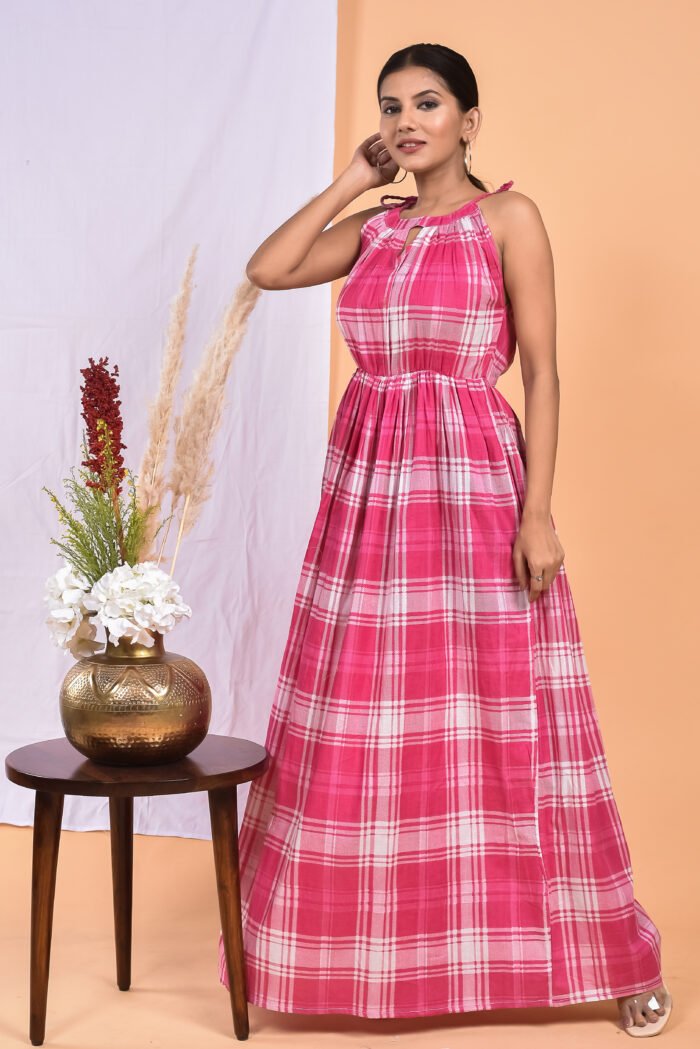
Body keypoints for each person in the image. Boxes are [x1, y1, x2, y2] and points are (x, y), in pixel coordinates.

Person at [218, 42, 672, 1037]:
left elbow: (543, 372)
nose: (406, 120)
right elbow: (269, 267)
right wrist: (353, 176)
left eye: (427, 103)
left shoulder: (509, 218)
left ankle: (609, 955)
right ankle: (379, 964)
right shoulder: (374, 230)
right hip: (367, 500)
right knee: (371, 730)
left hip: (472, 489)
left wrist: (539, 510)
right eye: (391, 107)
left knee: (510, 720)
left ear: (469, 119)